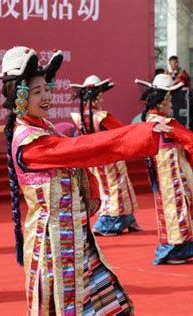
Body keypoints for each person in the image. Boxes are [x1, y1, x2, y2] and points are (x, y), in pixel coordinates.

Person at [0, 46, 171, 315]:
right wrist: (141, 133)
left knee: (94, 297)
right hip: (53, 243)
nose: (46, 97)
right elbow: (82, 150)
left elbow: (77, 157)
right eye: (37, 91)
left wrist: (91, 194)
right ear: (20, 97)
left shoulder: (43, 129)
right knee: (64, 303)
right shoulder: (30, 142)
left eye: (46, 89)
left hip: (73, 236)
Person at [135, 74, 193, 265]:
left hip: (159, 173)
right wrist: (188, 157)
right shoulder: (167, 123)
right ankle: (179, 250)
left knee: (171, 208)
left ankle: (185, 246)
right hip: (175, 172)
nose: (171, 102)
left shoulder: (147, 120)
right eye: (169, 98)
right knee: (185, 208)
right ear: (162, 101)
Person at [70, 75, 142, 236]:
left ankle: (127, 218)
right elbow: (120, 132)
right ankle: (111, 222)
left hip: (94, 157)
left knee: (105, 187)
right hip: (109, 156)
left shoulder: (81, 116)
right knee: (116, 187)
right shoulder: (101, 116)